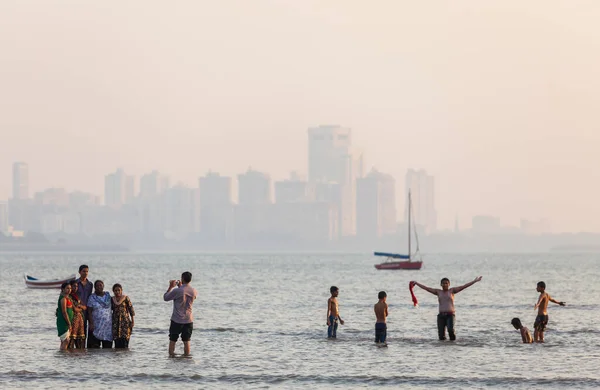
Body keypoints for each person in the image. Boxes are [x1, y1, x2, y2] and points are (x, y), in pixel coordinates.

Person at [411, 276, 483, 340]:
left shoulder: (452, 291)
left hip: (450, 315)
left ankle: (453, 344)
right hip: (441, 316)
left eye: (446, 283)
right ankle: (443, 348)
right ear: (441, 284)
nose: (445, 284)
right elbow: (426, 288)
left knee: (450, 330)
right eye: (443, 283)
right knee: (441, 336)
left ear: (449, 284)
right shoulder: (438, 292)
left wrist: (474, 281)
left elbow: (463, 286)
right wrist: (417, 283)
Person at [164, 271, 198, 356]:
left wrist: (171, 286)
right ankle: (186, 359)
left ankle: (171, 358)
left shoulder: (176, 291)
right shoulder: (194, 291)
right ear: (190, 280)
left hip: (176, 320)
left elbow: (166, 297)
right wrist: (180, 286)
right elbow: (185, 294)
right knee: (187, 341)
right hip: (188, 320)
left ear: (182, 278)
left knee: (172, 340)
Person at [87, 280, 113, 349]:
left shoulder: (108, 296)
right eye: (97, 286)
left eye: (100, 285)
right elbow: (89, 312)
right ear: (94, 287)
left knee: (107, 350)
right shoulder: (92, 297)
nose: (99, 287)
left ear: (103, 286)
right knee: (93, 350)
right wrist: (91, 323)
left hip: (107, 327)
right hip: (96, 326)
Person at [112, 283, 135, 348]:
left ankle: (124, 357)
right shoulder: (112, 299)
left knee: (125, 340)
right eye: (115, 290)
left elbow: (131, 310)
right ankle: (117, 356)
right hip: (115, 323)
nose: (117, 292)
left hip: (125, 322)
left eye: (119, 290)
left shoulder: (125, 298)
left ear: (121, 290)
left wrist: (132, 321)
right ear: (113, 291)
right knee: (117, 341)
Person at [75, 264, 93, 347]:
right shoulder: (75, 283)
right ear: (79, 272)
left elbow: (90, 297)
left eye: (87, 271)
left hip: (86, 310)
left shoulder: (90, 284)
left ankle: (83, 349)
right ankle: (75, 348)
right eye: (83, 271)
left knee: (84, 330)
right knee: (75, 329)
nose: (85, 273)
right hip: (77, 309)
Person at [68, 280, 87, 349]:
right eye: (73, 286)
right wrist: (80, 308)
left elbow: (85, 307)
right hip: (73, 319)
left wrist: (80, 307)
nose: (75, 288)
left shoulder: (77, 296)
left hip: (80, 319)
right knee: (72, 337)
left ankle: (79, 357)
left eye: (76, 286)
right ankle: (70, 355)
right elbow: (75, 309)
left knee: (80, 338)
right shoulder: (68, 296)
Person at [56, 282, 74, 350]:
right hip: (63, 322)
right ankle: (64, 356)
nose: (69, 290)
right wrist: (69, 323)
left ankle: (62, 356)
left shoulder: (67, 297)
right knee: (66, 340)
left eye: (70, 288)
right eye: (67, 288)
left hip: (66, 321)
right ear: (63, 289)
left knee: (64, 340)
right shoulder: (63, 299)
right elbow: (64, 312)